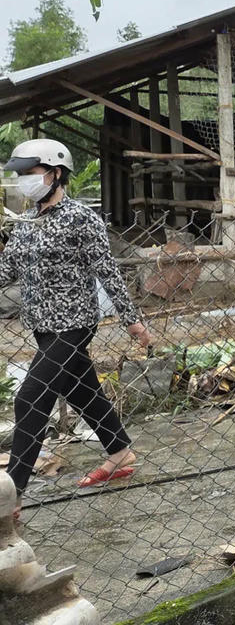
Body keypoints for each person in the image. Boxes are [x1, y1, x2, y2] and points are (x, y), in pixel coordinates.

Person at [2, 139, 152, 514]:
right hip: (42, 326)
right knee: (83, 391)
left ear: (55, 173)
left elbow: (108, 270)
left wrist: (131, 320)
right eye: (19, 175)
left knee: (30, 397)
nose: (23, 181)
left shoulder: (81, 218)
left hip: (74, 324)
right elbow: (6, 271)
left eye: (29, 173)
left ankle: (11, 497)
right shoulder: (27, 222)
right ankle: (119, 451)